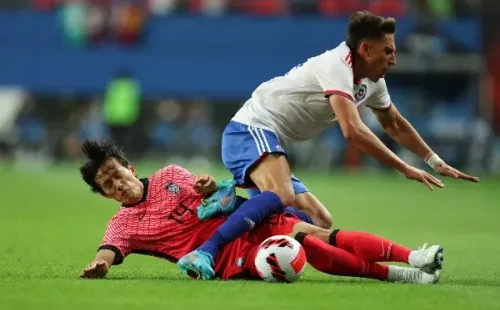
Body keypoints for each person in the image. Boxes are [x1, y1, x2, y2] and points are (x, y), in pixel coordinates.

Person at [181, 11, 479, 278]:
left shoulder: (372, 82)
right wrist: (403, 167)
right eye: (388, 51)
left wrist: (433, 160)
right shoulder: (337, 65)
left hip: (270, 139)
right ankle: (207, 249)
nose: (394, 59)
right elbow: (352, 129)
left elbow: (394, 124)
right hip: (251, 127)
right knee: (281, 194)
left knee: (320, 221)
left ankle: (236, 209)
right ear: (365, 48)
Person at [78, 139, 443, 284]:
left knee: (318, 234)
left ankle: (413, 257)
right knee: (307, 247)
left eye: (116, 173)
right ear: (106, 195)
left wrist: (207, 186)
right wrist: (101, 264)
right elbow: (109, 248)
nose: (117, 183)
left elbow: (212, 196)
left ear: (128, 165)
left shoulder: (171, 174)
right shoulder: (123, 223)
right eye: (107, 184)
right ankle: (399, 275)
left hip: (245, 220)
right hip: (225, 260)